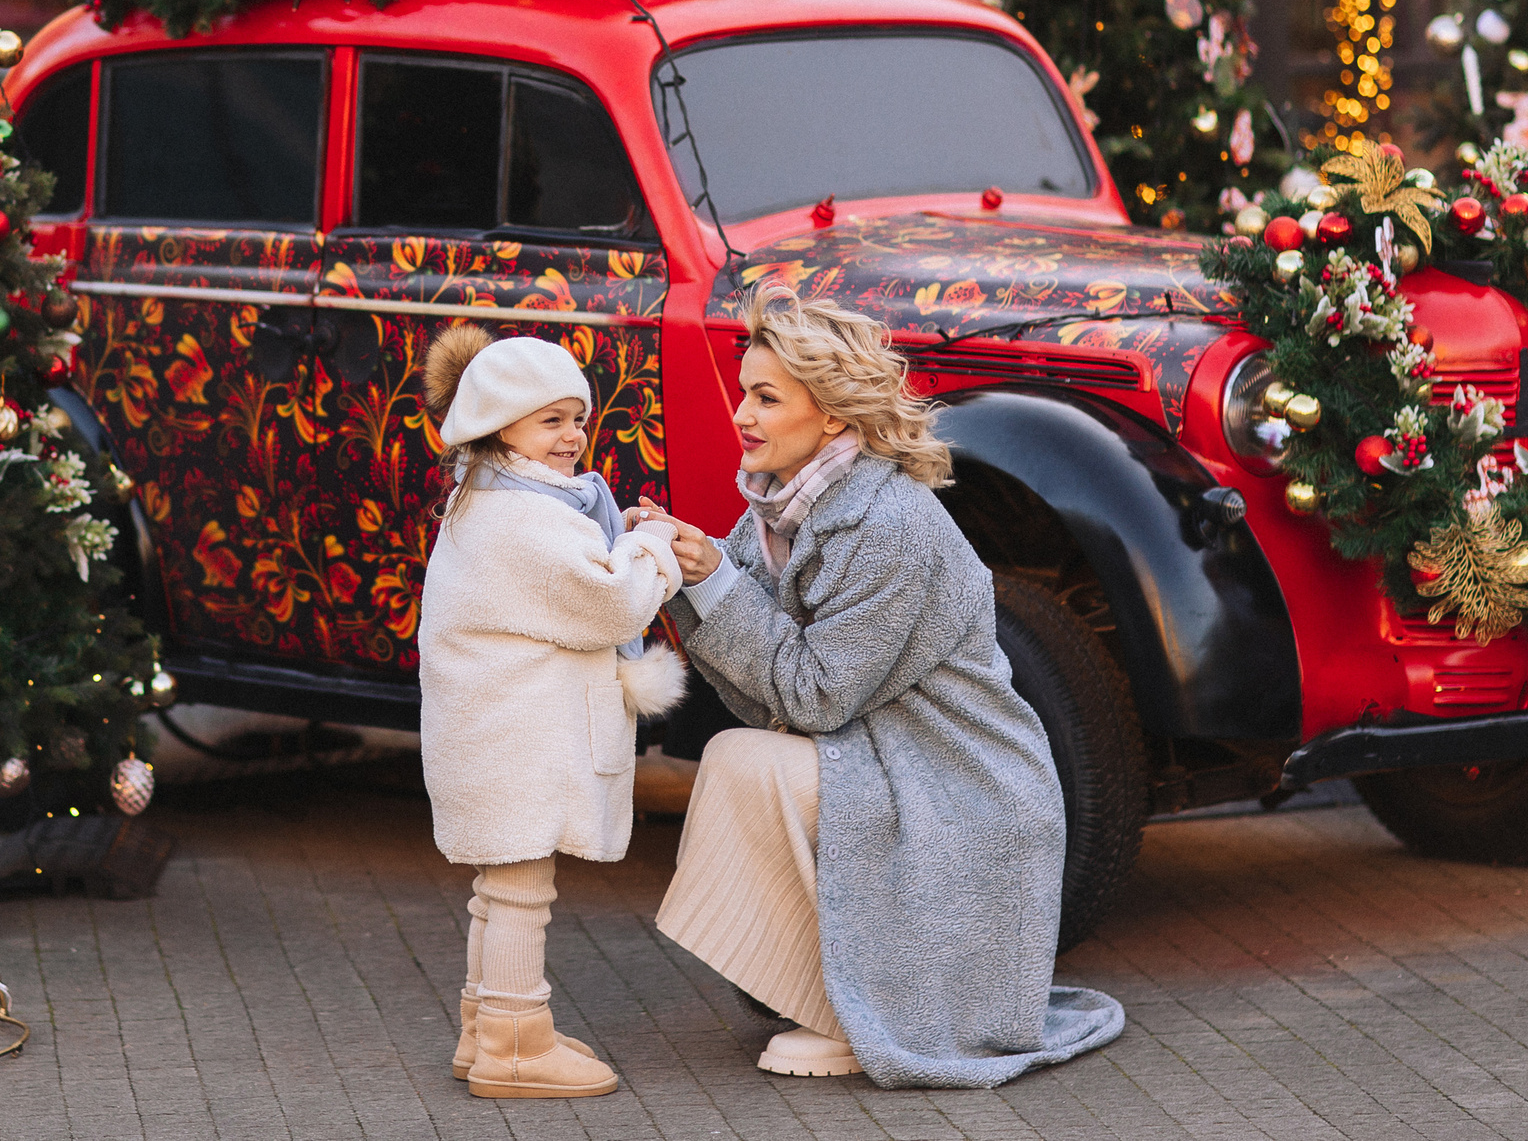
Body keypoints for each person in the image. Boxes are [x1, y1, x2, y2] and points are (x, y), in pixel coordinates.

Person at [638, 285, 1125, 1087]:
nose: (742, 415)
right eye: (745, 394)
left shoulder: (887, 523)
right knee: (742, 753)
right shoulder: (773, 510)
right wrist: (686, 571)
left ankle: (849, 1016)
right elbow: (764, 694)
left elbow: (815, 696)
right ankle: (831, 1002)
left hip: (964, 793)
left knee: (742, 761)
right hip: (886, 760)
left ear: (831, 415)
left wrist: (714, 581)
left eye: (766, 397)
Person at [416, 324, 688, 1099]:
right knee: (519, 889)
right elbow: (607, 603)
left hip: (500, 733)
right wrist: (654, 548)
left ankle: (487, 1027)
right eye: (551, 420)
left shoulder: (500, 498)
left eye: (578, 417)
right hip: (515, 743)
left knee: (499, 886)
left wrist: (618, 541)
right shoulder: (522, 519)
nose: (573, 435)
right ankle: (514, 1044)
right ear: (501, 425)